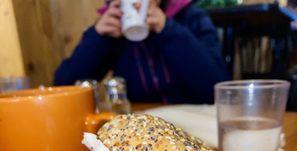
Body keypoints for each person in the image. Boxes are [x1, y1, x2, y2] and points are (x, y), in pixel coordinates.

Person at [54, 0, 230, 104]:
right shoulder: (110, 30)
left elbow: (217, 88)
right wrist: (97, 38)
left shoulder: (191, 18)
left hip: (193, 120)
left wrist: (167, 28)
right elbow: (64, 90)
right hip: (141, 123)